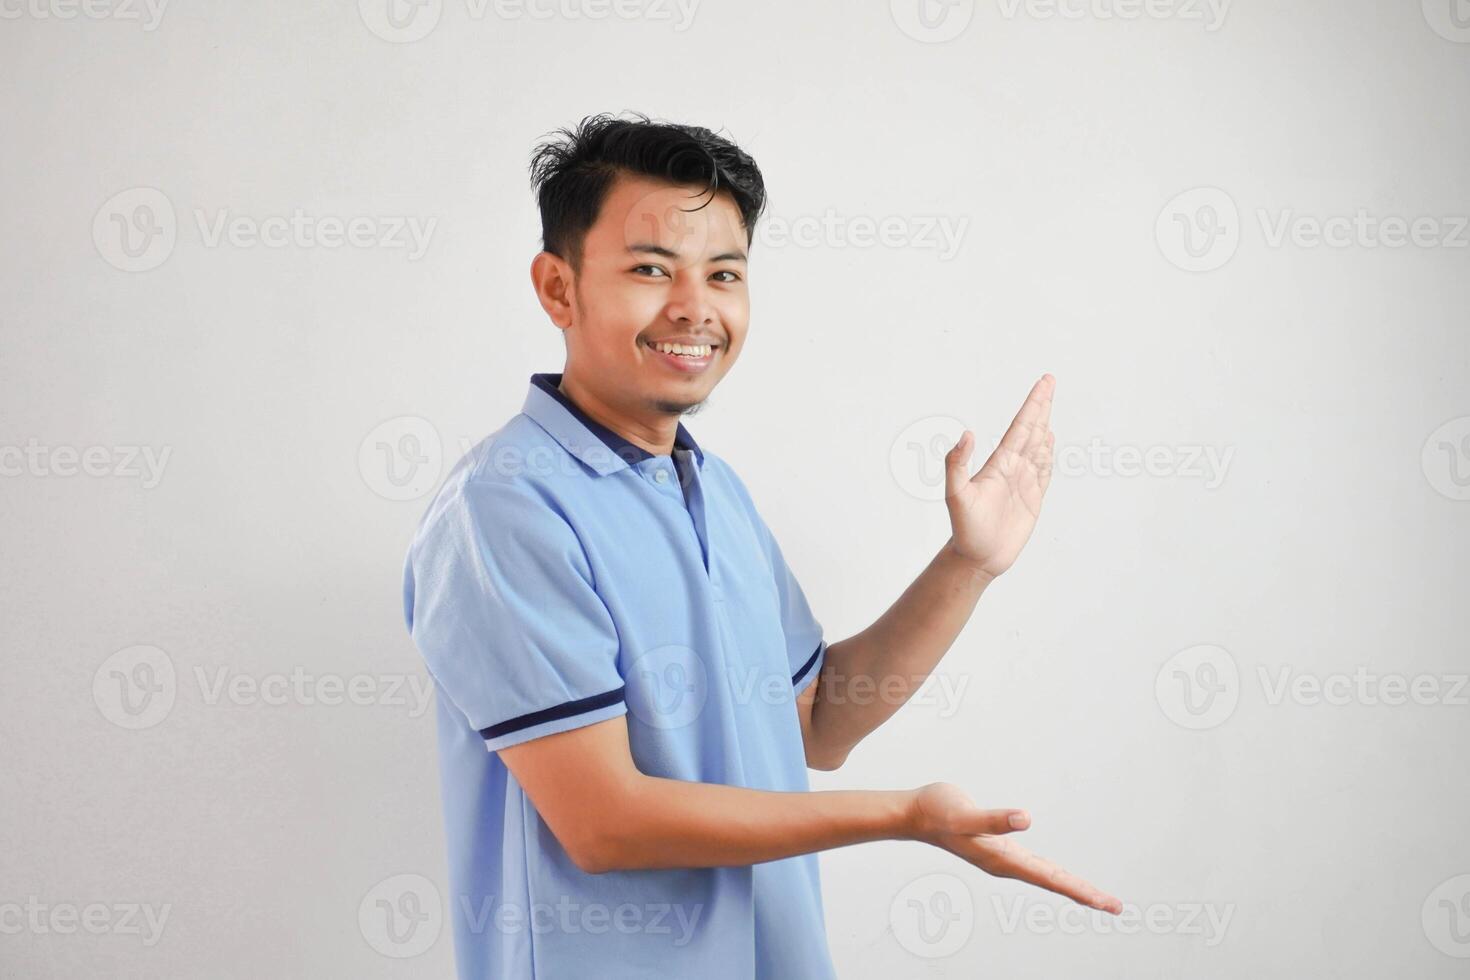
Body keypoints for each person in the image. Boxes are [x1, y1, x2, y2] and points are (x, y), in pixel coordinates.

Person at [401, 111, 1121, 980]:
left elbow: (817, 722)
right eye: (649, 269)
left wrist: (967, 564)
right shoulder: (505, 506)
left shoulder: (715, 492)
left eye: (724, 274)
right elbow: (604, 823)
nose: (695, 309)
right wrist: (900, 816)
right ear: (558, 288)